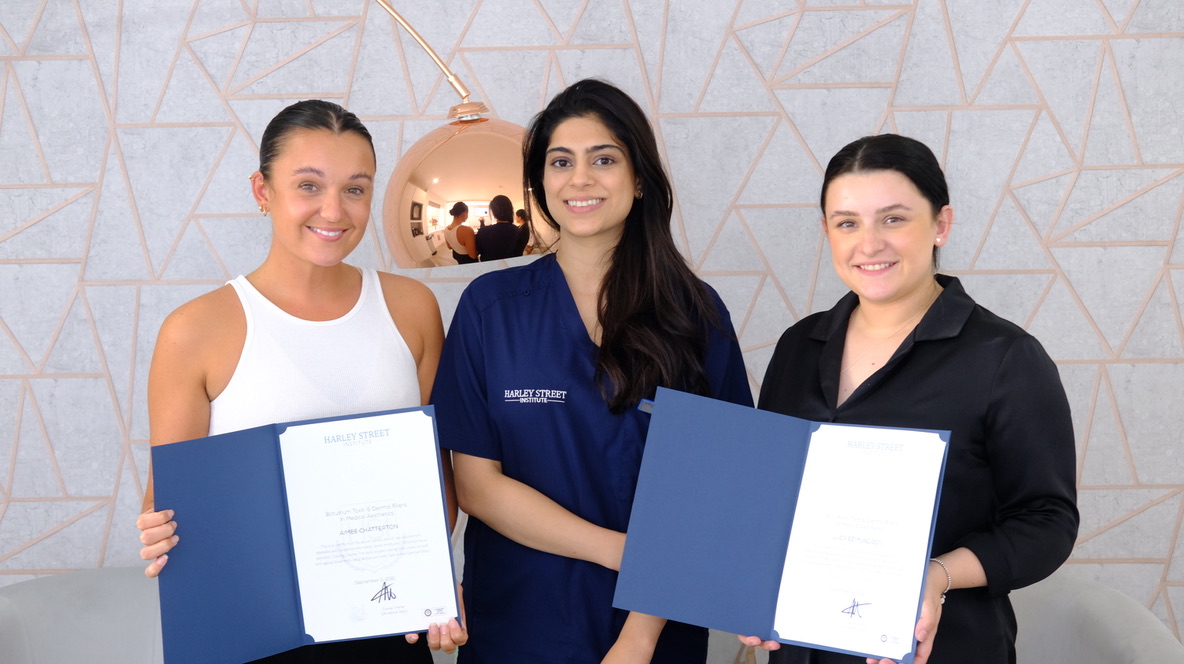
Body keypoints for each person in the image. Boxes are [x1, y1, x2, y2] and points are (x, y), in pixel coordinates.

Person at [431, 79, 753, 663]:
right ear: (540, 184)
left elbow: (709, 492)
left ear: (639, 179)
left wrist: (637, 639)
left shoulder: (696, 314)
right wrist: (621, 552)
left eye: (603, 159)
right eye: (561, 162)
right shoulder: (489, 309)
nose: (580, 179)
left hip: (655, 630)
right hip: (519, 623)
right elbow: (477, 485)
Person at [134, 100, 466, 663]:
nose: (333, 210)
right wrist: (158, 531)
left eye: (355, 189)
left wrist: (430, 579)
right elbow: (168, 502)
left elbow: (437, 481)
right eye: (308, 185)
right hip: (252, 634)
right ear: (263, 192)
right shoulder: (194, 331)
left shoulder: (412, 308)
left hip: (383, 630)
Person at [742, 134, 1078, 664]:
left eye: (893, 219)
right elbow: (768, 498)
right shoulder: (798, 348)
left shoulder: (1005, 357)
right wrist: (748, 587)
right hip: (800, 647)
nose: (869, 243)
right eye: (847, 222)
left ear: (941, 224)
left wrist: (936, 575)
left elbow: (1047, 522)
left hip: (943, 650)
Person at [474, 194, 525, 260]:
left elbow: (478, 251)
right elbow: (518, 254)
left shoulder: (483, 231)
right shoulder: (517, 231)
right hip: (510, 267)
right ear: (510, 210)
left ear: (494, 212)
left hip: (489, 268)